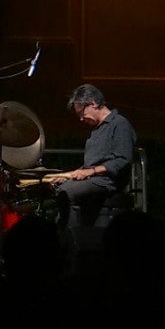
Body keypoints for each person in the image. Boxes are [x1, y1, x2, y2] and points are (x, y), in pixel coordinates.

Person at [53, 83, 137, 228]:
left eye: (81, 113)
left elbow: (123, 160)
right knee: (58, 187)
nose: (81, 119)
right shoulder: (96, 130)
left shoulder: (120, 124)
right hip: (95, 178)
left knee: (66, 192)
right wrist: (71, 175)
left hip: (108, 181)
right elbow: (92, 163)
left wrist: (91, 171)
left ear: (93, 104)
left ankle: (72, 236)